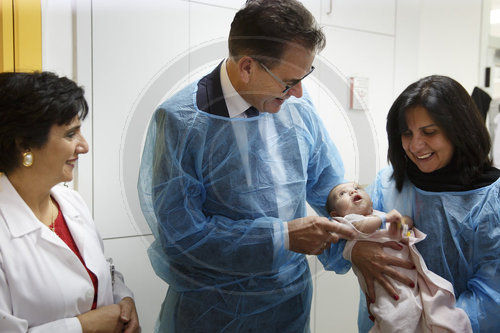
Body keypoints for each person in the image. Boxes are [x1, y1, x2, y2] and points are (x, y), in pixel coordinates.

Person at [137, 0, 356, 331]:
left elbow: (328, 184)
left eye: (304, 77)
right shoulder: (184, 122)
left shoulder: (298, 107)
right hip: (211, 311)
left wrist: (354, 218)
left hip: (289, 306)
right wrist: (281, 237)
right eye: (288, 80)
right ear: (248, 67)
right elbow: (182, 237)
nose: (298, 92)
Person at [346, 75, 500, 332]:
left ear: (459, 132)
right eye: (406, 133)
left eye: (429, 132)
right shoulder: (388, 183)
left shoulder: (490, 198)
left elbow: (491, 297)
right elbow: (352, 233)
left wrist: (429, 326)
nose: (416, 146)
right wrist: (354, 249)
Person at [0, 71, 140, 333]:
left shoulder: (70, 202)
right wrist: (83, 327)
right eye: (70, 134)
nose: (84, 146)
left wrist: (124, 299)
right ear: (24, 145)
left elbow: (103, 274)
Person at [325, 182, 472, 332]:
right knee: (394, 319)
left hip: (410, 279)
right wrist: (386, 219)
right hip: (385, 287)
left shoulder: (379, 215)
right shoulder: (347, 221)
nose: (351, 192)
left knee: (428, 313)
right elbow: (361, 228)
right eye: (342, 194)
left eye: (356, 189)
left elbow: (399, 232)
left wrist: (405, 224)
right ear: (335, 215)